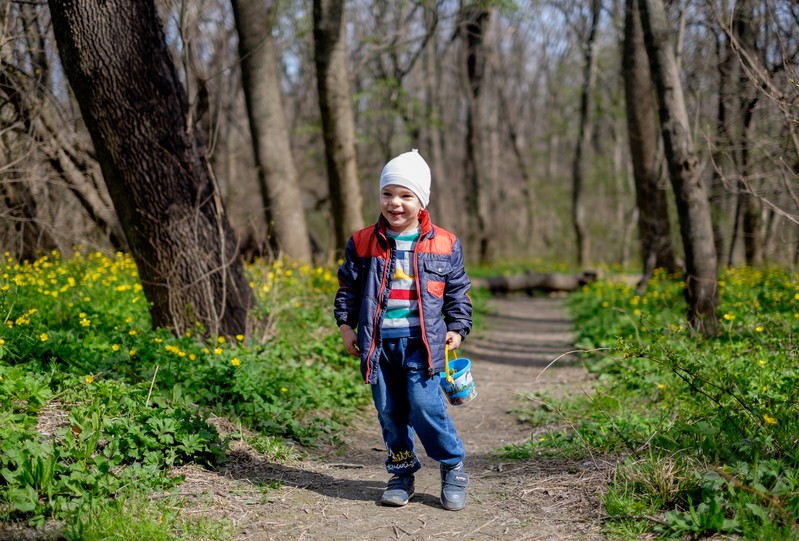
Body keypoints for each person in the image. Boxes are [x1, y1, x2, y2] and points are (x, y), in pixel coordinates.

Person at [333, 149, 473, 511]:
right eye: (387, 193)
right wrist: (346, 327)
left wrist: (457, 326)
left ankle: (452, 464)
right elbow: (347, 288)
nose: (395, 203)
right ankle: (401, 473)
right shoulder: (363, 241)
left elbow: (458, 291)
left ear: (421, 200)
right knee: (390, 412)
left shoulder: (444, 243)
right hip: (379, 345)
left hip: (422, 346)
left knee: (426, 406)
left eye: (405, 195)